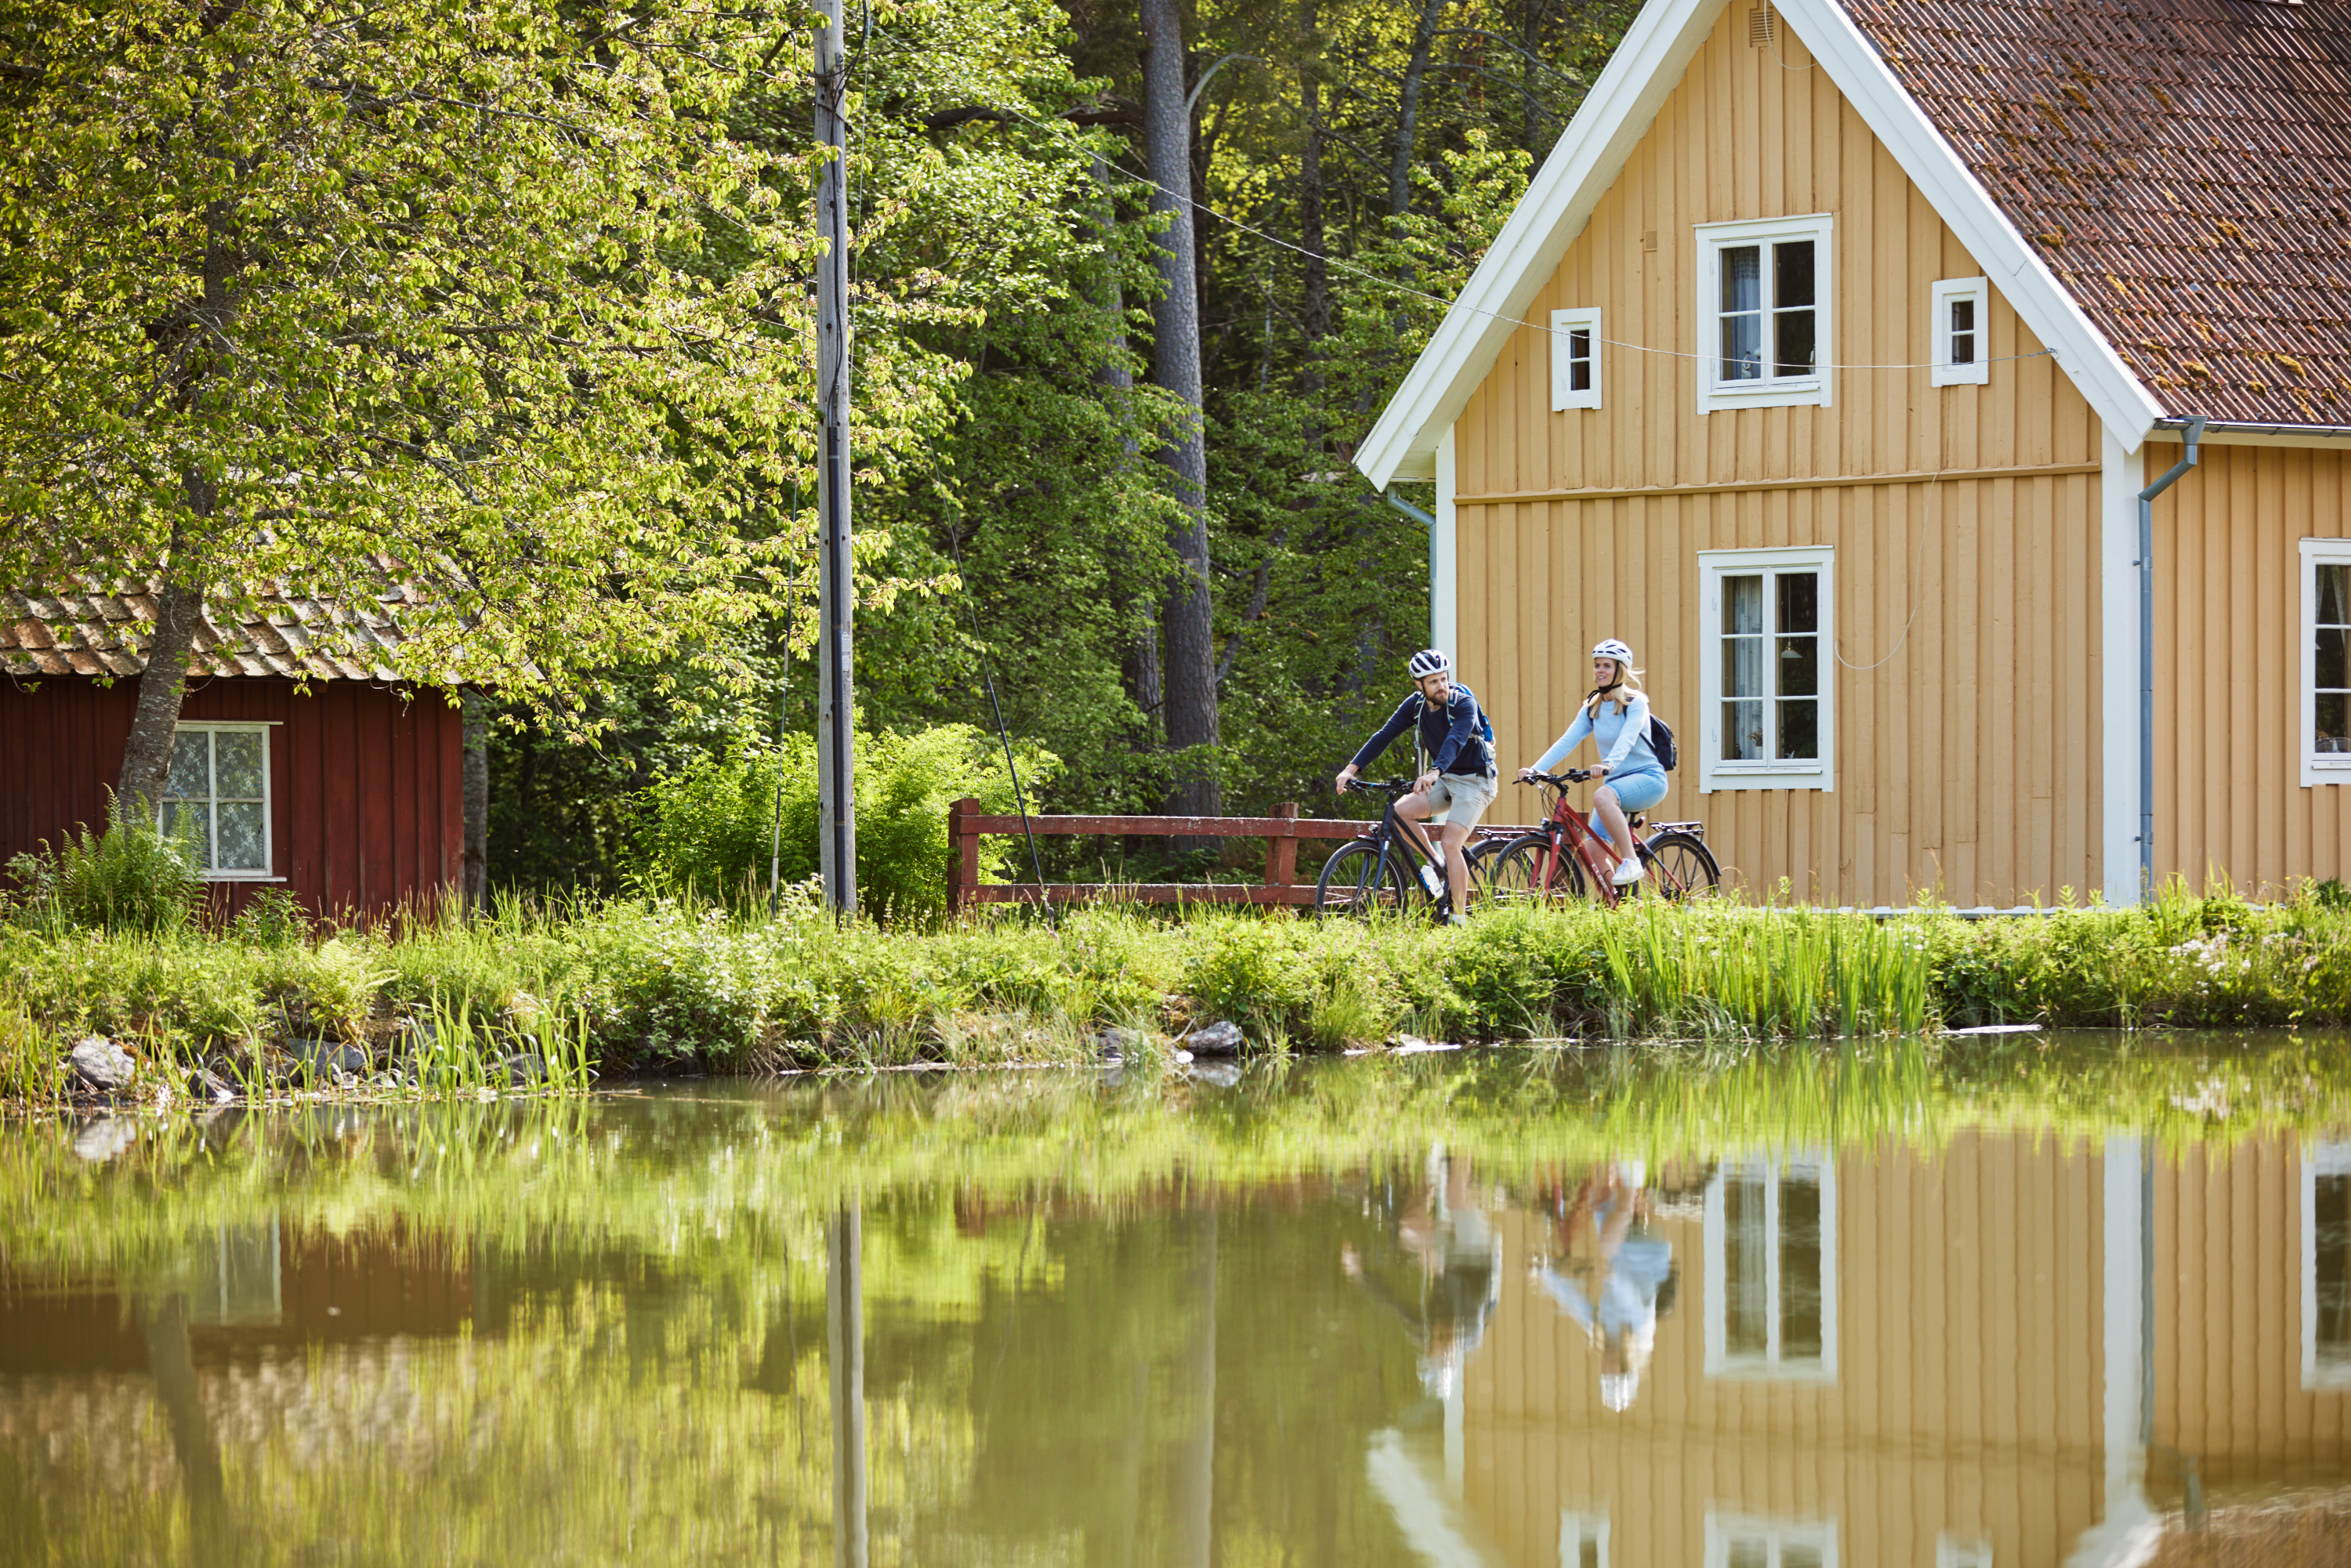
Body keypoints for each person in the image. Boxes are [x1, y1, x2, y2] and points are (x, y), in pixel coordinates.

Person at [1334, 649, 1497, 924]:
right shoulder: (1416, 705)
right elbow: (1385, 734)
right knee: (1400, 813)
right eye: (1433, 682)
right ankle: (1436, 864)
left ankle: (1459, 920)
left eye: (1444, 679)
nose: (1442, 686)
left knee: (1450, 842)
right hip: (1445, 779)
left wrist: (1434, 771)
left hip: (1476, 780)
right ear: (1419, 684)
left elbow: (1455, 740)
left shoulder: (1463, 703)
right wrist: (1351, 769)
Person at [1527, 1160, 1677, 1412]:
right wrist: (1613, 1279)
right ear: (1625, 1367)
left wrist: (1544, 1273)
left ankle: (1608, 1155)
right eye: (1613, 1374)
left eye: (1605, 1376)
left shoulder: (1600, 1334)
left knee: (1599, 1202)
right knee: (1607, 1243)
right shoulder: (1640, 1332)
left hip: (1620, 1258)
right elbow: (1631, 1300)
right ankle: (1633, 1172)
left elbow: (1574, 1303)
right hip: (1649, 1256)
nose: (1606, 1370)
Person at [1519, 639, 1665, 886]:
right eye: (1597, 665)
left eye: (1606, 666)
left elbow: (1628, 739)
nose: (1599, 671)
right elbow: (1567, 741)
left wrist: (1608, 763)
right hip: (1617, 785)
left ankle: (1631, 861)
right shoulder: (1593, 707)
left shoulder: (1635, 703)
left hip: (1648, 779)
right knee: (1593, 851)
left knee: (1601, 795)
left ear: (1620, 670)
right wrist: (1537, 768)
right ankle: (1619, 906)